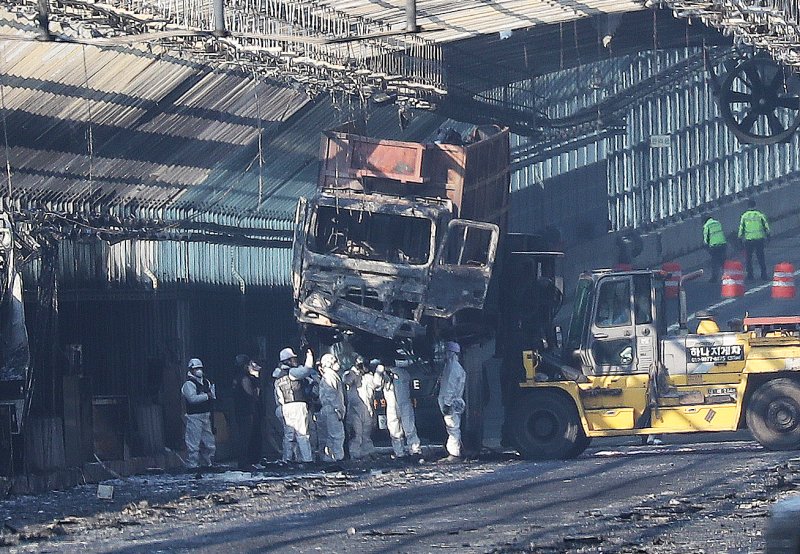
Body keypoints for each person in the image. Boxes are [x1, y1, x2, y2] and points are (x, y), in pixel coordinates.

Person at [273, 347, 315, 464]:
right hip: (297, 405)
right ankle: (307, 459)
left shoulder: (278, 376)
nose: (295, 361)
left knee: (289, 435)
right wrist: (310, 356)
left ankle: (287, 459)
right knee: (302, 434)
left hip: (284, 407)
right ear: (287, 361)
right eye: (293, 359)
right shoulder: (292, 373)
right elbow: (307, 369)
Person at [377, 357, 421, 459]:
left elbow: (405, 377)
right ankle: (399, 453)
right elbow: (377, 385)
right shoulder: (383, 376)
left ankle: (415, 451)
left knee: (409, 428)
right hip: (391, 406)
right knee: (394, 430)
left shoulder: (402, 373)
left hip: (404, 404)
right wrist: (380, 372)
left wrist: (392, 370)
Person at [343, 356, 381, 460]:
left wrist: (378, 373)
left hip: (368, 408)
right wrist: (356, 371)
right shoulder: (352, 374)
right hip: (355, 409)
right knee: (356, 434)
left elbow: (377, 385)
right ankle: (354, 454)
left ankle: (367, 453)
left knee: (366, 433)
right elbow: (346, 380)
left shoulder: (369, 376)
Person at [181, 358, 216, 470]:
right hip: (194, 416)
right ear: (191, 370)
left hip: (205, 415)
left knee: (209, 441)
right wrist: (206, 396)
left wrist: (209, 396)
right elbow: (192, 399)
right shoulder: (188, 384)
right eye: (196, 369)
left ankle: (209, 462)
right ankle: (193, 464)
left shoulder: (206, 382)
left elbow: (213, 395)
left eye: (200, 368)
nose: (198, 371)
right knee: (193, 441)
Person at [232, 355, 263, 471]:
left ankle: (246, 461)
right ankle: (244, 462)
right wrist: (256, 381)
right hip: (246, 411)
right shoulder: (244, 378)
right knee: (246, 437)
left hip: (241, 410)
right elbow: (251, 394)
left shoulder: (236, 378)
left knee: (246, 436)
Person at [438, 341, 466, 461]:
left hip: (450, 402)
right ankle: (455, 451)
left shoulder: (453, 368)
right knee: (453, 426)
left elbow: (450, 387)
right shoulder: (453, 367)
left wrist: (447, 404)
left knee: (452, 427)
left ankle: (454, 454)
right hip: (453, 402)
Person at [316, 353, 346, 462]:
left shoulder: (329, 375)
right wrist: (338, 409)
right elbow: (331, 394)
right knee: (338, 435)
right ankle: (338, 458)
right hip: (332, 410)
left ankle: (329, 458)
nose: (338, 364)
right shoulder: (330, 376)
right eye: (335, 362)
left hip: (329, 409)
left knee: (330, 436)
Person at [738, 199, 771, 281]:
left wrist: (739, 238)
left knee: (748, 258)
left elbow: (741, 228)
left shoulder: (744, 216)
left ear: (748, 206)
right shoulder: (760, 215)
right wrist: (768, 235)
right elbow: (766, 226)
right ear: (755, 205)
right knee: (760, 257)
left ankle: (750, 275)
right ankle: (763, 275)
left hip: (749, 240)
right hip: (759, 239)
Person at [702, 213, 727, 283]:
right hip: (723, 244)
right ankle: (727, 275)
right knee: (723, 261)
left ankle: (714, 278)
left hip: (714, 246)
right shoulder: (717, 223)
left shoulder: (707, 226)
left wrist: (706, 245)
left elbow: (705, 238)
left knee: (714, 262)